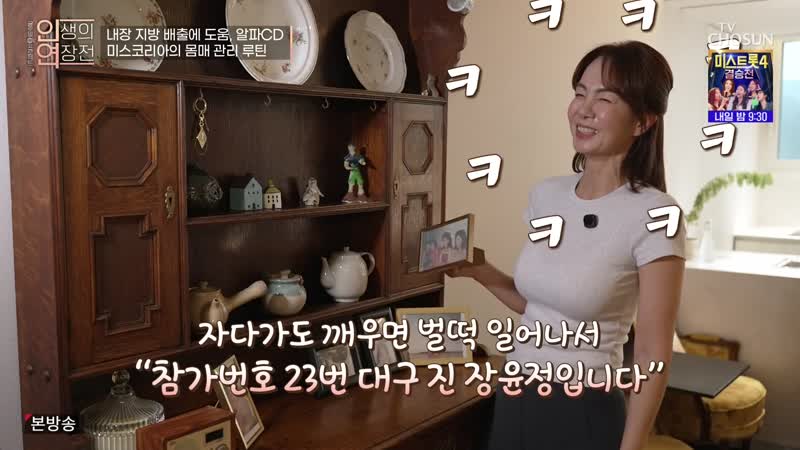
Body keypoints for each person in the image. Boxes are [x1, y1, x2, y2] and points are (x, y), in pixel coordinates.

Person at [449, 41, 685, 450]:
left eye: (604, 98)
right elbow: (541, 307)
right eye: (580, 93)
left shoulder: (656, 213)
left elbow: (651, 352)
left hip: (584, 410)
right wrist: (478, 271)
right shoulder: (547, 195)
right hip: (516, 395)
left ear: (642, 121)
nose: (583, 109)